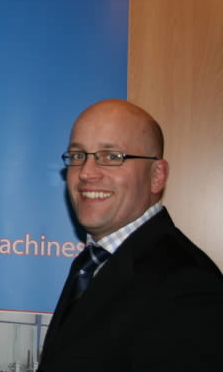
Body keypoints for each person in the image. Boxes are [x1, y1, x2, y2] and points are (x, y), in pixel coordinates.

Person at [38, 99, 223, 372]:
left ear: (157, 175)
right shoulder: (91, 263)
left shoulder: (187, 284)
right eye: (78, 156)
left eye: (111, 157)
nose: (86, 172)